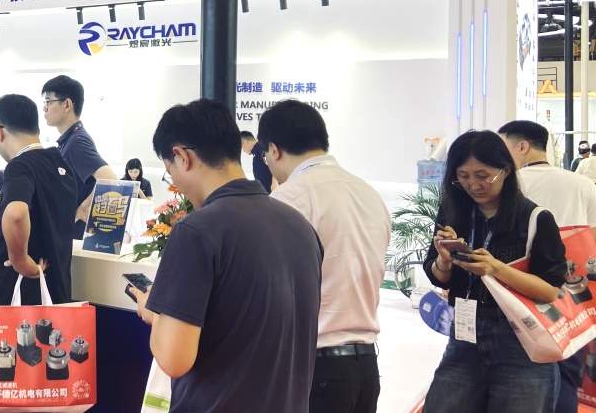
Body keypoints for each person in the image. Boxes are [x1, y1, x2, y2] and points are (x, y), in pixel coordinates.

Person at [129, 99, 323, 413]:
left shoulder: (196, 231)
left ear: (182, 157)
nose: (174, 183)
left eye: (169, 172)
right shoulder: (300, 226)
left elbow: (173, 359)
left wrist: (155, 313)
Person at [258, 100, 390, 413]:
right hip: (366, 367)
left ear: (274, 150)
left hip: (314, 368)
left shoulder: (290, 198)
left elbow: (271, 289)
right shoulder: (368, 193)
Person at [422, 130, 567, 412]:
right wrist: (445, 261)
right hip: (464, 334)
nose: (474, 185)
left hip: (520, 340)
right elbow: (438, 276)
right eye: (463, 177)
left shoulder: (534, 218)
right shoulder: (453, 213)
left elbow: (550, 291)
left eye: (483, 175)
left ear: (506, 170)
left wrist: (496, 269)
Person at [499, 120, 596, 413]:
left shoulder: (510, 185)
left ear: (522, 146)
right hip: (572, 292)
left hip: (520, 289)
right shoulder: (583, 184)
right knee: (567, 367)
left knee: (519, 370)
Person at [0, 94, 77, 306]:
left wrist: (20, 261)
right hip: (55, 285)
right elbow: (43, 206)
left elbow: (16, 214)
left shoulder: (19, 166)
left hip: (20, 292)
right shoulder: (60, 163)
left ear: (0, 131)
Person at [41, 75, 117, 238]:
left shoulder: (77, 142)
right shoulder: (69, 140)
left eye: (48, 102)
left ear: (67, 104)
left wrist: (84, 208)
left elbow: (111, 181)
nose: (44, 108)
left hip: (76, 236)